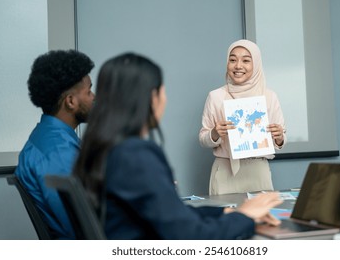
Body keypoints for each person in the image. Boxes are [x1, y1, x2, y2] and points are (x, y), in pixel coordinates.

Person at [73, 52, 282, 240]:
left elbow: (171, 216)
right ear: (149, 98)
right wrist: (244, 217)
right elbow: (189, 235)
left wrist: (228, 213)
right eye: (162, 90)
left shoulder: (103, 149)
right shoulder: (137, 156)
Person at [15, 49, 95, 239]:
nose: (94, 97)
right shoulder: (58, 153)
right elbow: (85, 228)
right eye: (89, 91)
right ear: (70, 101)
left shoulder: (49, 138)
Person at [199, 39, 286, 195]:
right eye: (232, 60)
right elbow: (203, 138)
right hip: (225, 171)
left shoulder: (269, 96)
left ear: (257, 64)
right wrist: (214, 133)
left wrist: (279, 137)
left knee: (262, 218)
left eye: (246, 60)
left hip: (258, 172)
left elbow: (281, 139)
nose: (238, 66)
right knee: (225, 218)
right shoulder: (216, 96)